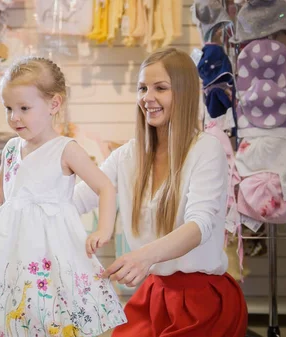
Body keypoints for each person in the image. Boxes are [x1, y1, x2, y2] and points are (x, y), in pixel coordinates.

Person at [73, 47, 248, 337]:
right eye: (142, 87)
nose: (147, 97)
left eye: (160, 88)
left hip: (201, 303)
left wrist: (143, 257)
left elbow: (200, 224)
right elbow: (79, 198)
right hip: (154, 297)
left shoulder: (205, 149)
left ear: (184, 92)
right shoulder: (127, 155)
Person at [0, 56, 127, 337]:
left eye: (23, 108)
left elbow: (105, 187)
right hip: (10, 241)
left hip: (51, 244)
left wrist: (103, 230)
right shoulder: (11, 147)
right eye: (8, 108)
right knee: (13, 304)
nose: (14, 117)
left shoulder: (66, 149)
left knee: (52, 309)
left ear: (53, 105)